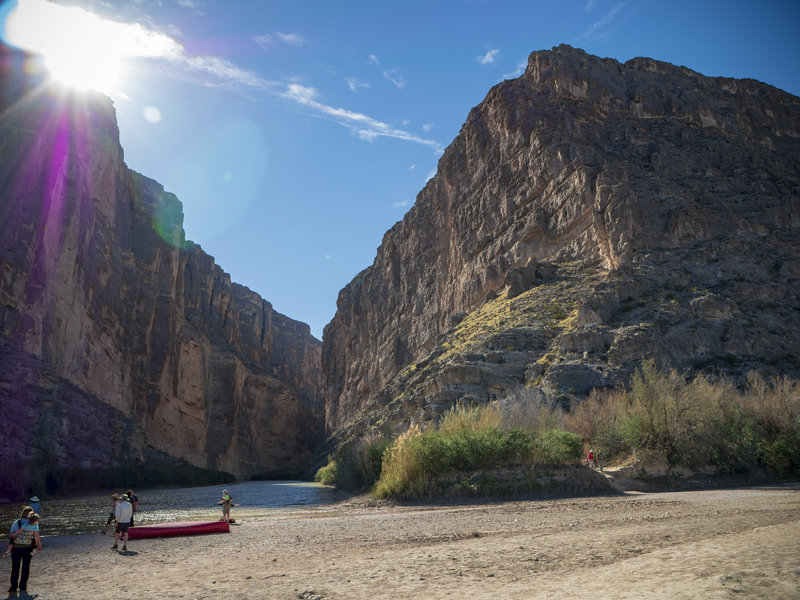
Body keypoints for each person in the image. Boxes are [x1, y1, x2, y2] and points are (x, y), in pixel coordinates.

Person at [8, 512, 42, 594]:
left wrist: (13, 537)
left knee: (15, 567)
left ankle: (13, 587)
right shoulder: (34, 526)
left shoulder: (18, 523)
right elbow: (36, 536)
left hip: (16, 548)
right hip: (27, 548)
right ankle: (23, 586)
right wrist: (38, 545)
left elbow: (13, 535)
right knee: (25, 567)